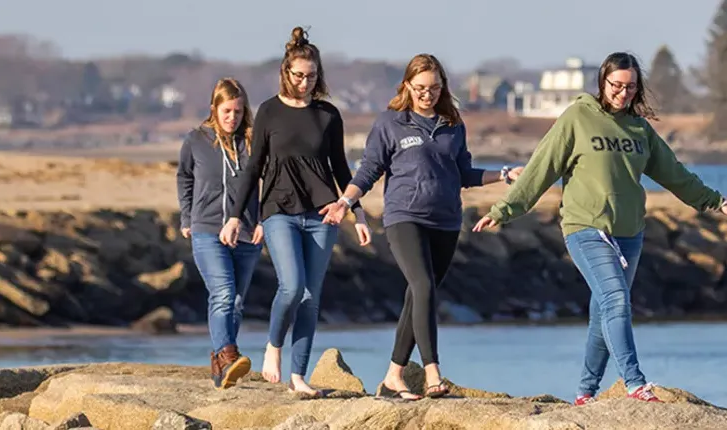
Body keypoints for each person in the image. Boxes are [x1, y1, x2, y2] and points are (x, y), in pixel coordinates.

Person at [472, 52, 727, 405]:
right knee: (617, 300)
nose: (622, 93)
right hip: (585, 228)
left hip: (629, 233)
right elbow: (541, 167)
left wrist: (717, 202)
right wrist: (506, 208)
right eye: (616, 85)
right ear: (603, 82)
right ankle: (635, 382)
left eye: (630, 87)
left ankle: (585, 392)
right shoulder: (577, 117)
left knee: (603, 312)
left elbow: (675, 175)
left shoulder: (639, 129)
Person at [320, 53, 522, 400]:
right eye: (420, 88)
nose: (426, 94)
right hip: (404, 217)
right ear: (407, 86)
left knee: (418, 297)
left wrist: (503, 174)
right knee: (424, 286)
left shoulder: (453, 124)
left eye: (433, 88)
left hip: (445, 221)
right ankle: (432, 374)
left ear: (442, 88)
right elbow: (369, 170)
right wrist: (346, 201)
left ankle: (393, 376)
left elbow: (464, 174)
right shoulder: (391, 123)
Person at [220, 26, 369, 395]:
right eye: (299, 75)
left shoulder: (329, 115)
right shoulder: (269, 111)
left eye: (312, 76)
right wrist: (237, 215)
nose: (305, 82)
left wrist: (358, 211)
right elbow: (253, 167)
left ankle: (298, 376)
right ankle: (274, 347)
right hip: (279, 210)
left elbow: (340, 167)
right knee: (292, 286)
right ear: (286, 73)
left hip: (323, 215)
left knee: (310, 297)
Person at [176, 77, 263, 390]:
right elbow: (184, 177)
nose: (232, 118)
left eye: (238, 112)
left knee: (237, 302)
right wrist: (187, 216)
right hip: (207, 229)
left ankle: (220, 364)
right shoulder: (196, 140)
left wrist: (263, 220)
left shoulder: (254, 142)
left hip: (248, 231)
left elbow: (268, 184)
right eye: (227, 111)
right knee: (223, 294)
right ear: (214, 108)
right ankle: (229, 354)